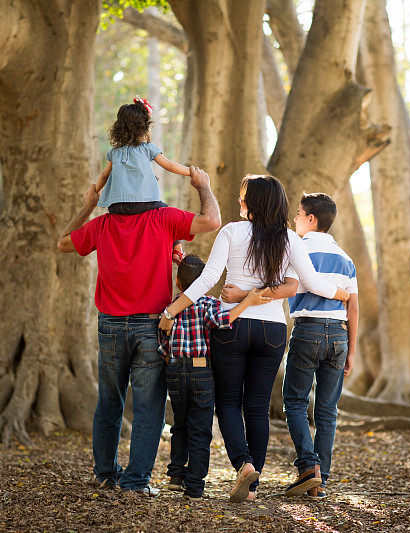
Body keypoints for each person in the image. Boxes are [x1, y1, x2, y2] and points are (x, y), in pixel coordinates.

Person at [158, 175, 349, 502]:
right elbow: (312, 283)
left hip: (232, 325)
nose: (238, 200)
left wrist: (172, 310)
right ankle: (253, 487)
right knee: (257, 407)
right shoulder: (289, 237)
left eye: (243, 195)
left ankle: (244, 465)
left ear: (254, 202)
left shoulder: (231, 231)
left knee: (229, 402)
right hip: (272, 330)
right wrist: (342, 294)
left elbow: (207, 280)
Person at [57, 166, 221, 497]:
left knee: (109, 402)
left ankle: (104, 475)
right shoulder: (164, 219)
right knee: (148, 406)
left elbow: (62, 243)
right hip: (152, 325)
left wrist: (90, 203)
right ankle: (135, 482)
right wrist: (202, 185)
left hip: (111, 325)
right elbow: (212, 219)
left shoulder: (102, 223)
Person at [159, 254, 271, 500]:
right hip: (201, 372)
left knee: (180, 424)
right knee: (200, 429)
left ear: (178, 283)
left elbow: (163, 344)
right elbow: (225, 320)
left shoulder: (172, 307)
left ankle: (176, 476)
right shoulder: (208, 304)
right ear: (207, 283)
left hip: (176, 370)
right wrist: (249, 301)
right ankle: (195, 485)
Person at [281, 193, 358, 501]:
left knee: (295, 402)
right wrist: (351, 351)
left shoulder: (297, 250)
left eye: (298, 214)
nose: (295, 219)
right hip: (339, 336)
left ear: (311, 219)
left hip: (307, 331)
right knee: (328, 410)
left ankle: (309, 465)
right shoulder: (346, 257)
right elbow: (354, 307)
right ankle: (320, 481)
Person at [96, 97, 191, 216]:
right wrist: (191, 172)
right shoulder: (147, 148)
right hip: (141, 204)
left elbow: (104, 175)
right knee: (164, 210)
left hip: (116, 207)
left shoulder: (114, 152)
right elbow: (169, 165)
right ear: (145, 128)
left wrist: (96, 191)